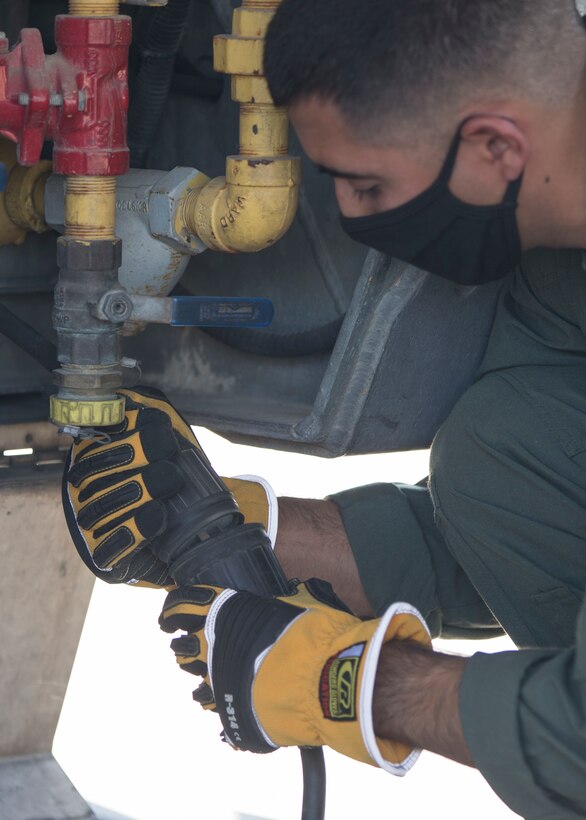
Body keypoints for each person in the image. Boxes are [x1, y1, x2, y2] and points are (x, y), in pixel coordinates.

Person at [63, 1, 586, 818]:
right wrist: (232, 529)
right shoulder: (562, 280)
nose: (350, 220)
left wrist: (352, 683)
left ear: (495, 146)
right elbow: (525, 538)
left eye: (366, 184)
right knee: (496, 440)